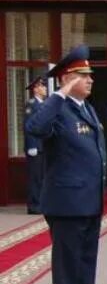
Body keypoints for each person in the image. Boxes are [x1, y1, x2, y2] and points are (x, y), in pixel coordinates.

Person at [25, 45, 107, 284]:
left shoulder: (86, 107)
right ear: (67, 78)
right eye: (83, 75)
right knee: (68, 266)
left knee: (86, 264)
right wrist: (58, 94)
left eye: (90, 75)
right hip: (67, 203)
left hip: (88, 201)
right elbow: (35, 128)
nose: (90, 80)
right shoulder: (56, 107)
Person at [24, 75, 47, 214]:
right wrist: (32, 145)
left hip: (43, 146)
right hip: (35, 147)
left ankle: (40, 202)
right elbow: (29, 126)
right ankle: (33, 205)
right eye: (42, 86)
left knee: (42, 176)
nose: (45, 89)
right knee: (35, 177)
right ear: (36, 89)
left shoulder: (43, 104)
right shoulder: (31, 104)